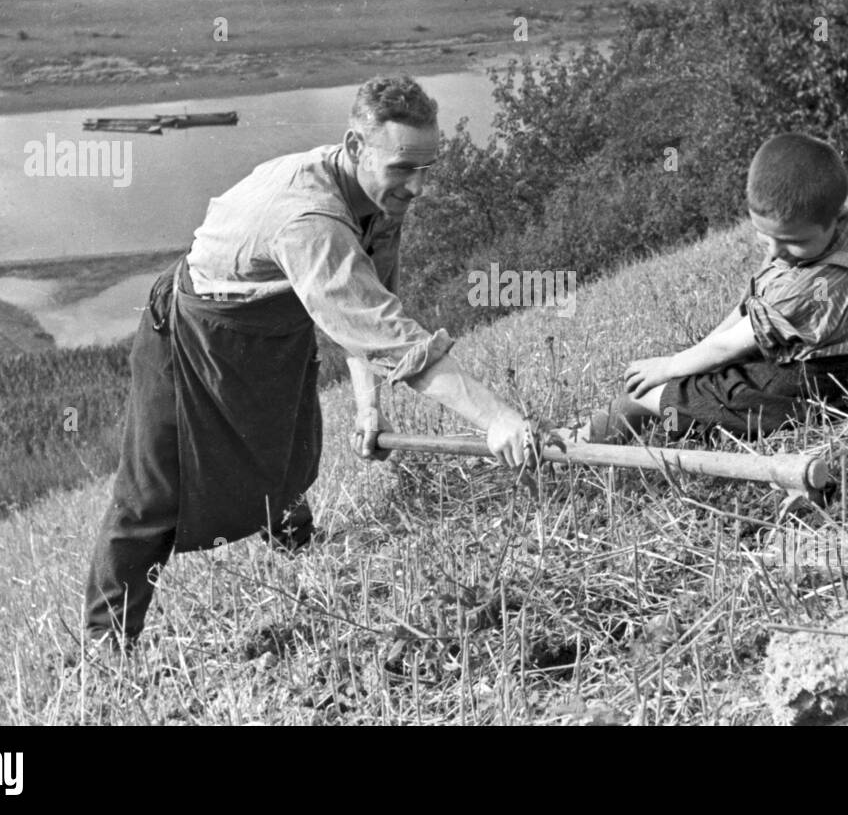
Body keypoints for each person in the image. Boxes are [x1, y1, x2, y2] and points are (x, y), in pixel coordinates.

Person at [83, 75, 532, 647]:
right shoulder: (311, 221)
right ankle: (105, 650)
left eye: (428, 169)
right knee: (150, 499)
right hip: (194, 338)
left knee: (289, 453)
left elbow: (370, 309)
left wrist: (369, 408)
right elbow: (391, 336)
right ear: (353, 148)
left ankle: (299, 557)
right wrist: (496, 418)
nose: (418, 187)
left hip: (275, 327)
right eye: (403, 169)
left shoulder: (379, 191)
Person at [582, 132, 848, 444]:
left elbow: (726, 349)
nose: (776, 252)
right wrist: (692, 358)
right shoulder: (841, 237)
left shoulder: (806, 289)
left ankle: (577, 445)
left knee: (642, 395)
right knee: (691, 375)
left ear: (834, 217)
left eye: (795, 242)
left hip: (795, 398)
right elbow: (744, 312)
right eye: (765, 237)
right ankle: (612, 423)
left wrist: (669, 367)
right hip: (821, 370)